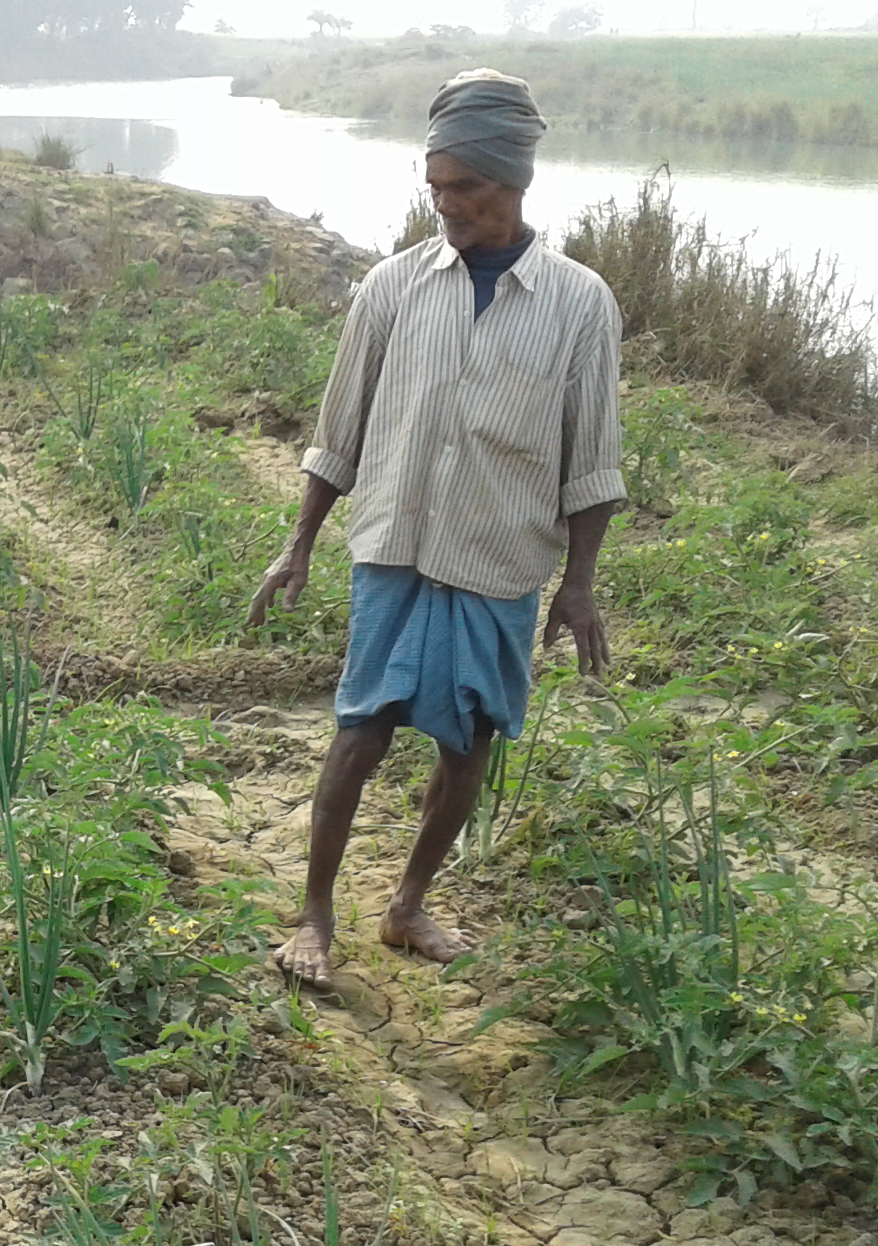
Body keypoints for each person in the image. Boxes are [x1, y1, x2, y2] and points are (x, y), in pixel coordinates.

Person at [248, 68, 625, 990]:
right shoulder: (391, 289)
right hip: (396, 544)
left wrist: (577, 584)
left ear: (517, 182)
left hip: (499, 558)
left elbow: (593, 463)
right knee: (360, 730)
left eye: (469, 187)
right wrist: (298, 542)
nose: (449, 204)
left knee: (470, 743)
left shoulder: (580, 305)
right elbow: (339, 432)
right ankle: (315, 913)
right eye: (437, 188)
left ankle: (407, 904)